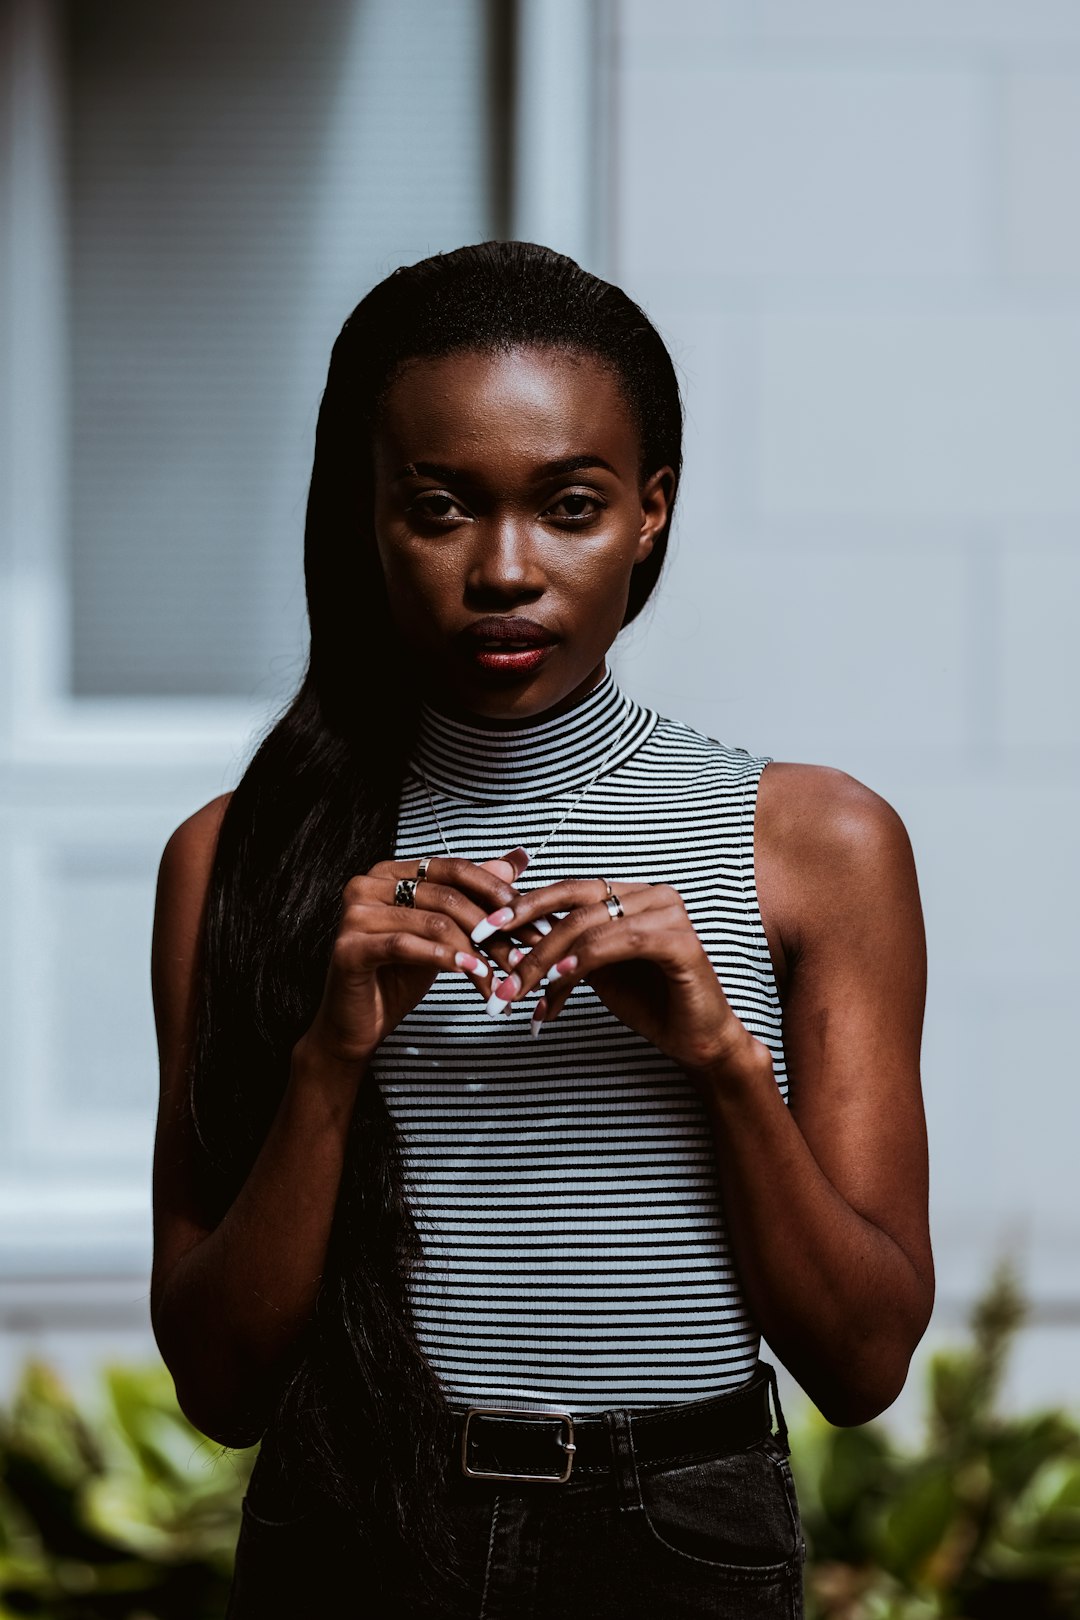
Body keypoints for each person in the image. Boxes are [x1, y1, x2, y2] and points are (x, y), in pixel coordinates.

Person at [149, 240, 933, 1618]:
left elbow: (864, 1363)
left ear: (649, 512)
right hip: (353, 1522)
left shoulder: (817, 846)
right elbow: (220, 1386)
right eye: (441, 508)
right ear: (366, 517)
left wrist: (721, 1056)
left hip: (678, 1537)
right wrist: (329, 1058)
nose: (505, 569)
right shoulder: (241, 858)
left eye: (568, 505)